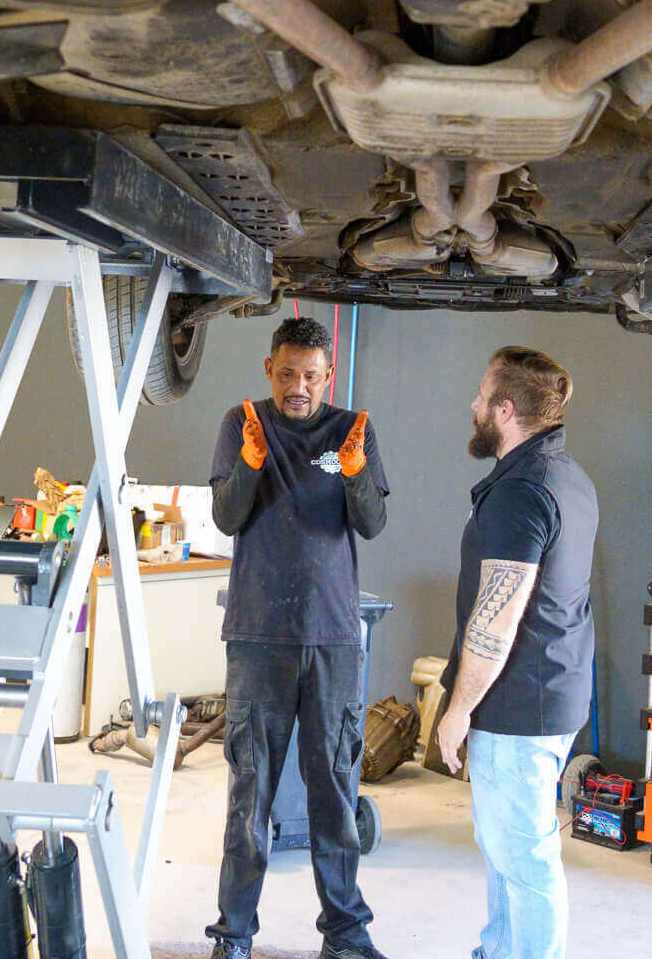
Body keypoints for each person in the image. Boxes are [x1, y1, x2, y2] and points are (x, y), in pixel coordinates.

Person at [205, 316, 391, 959]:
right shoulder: (242, 423)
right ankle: (234, 937)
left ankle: (345, 936)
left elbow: (372, 523)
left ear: (328, 375)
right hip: (259, 636)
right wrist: (251, 462)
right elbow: (226, 515)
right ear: (269, 369)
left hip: (332, 637)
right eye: (287, 374)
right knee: (249, 795)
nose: (298, 388)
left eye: (311, 376)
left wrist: (356, 472)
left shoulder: (351, 431)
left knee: (335, 793)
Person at [437, 346, 599, 959]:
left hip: (517, 708)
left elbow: (495, 621)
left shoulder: (520, 492)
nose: (473, 405)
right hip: (554, 694)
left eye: (482, 397)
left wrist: (457, 710)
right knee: (507, 847)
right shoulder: (568, 477)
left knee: (525, 860)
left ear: (505, 411)